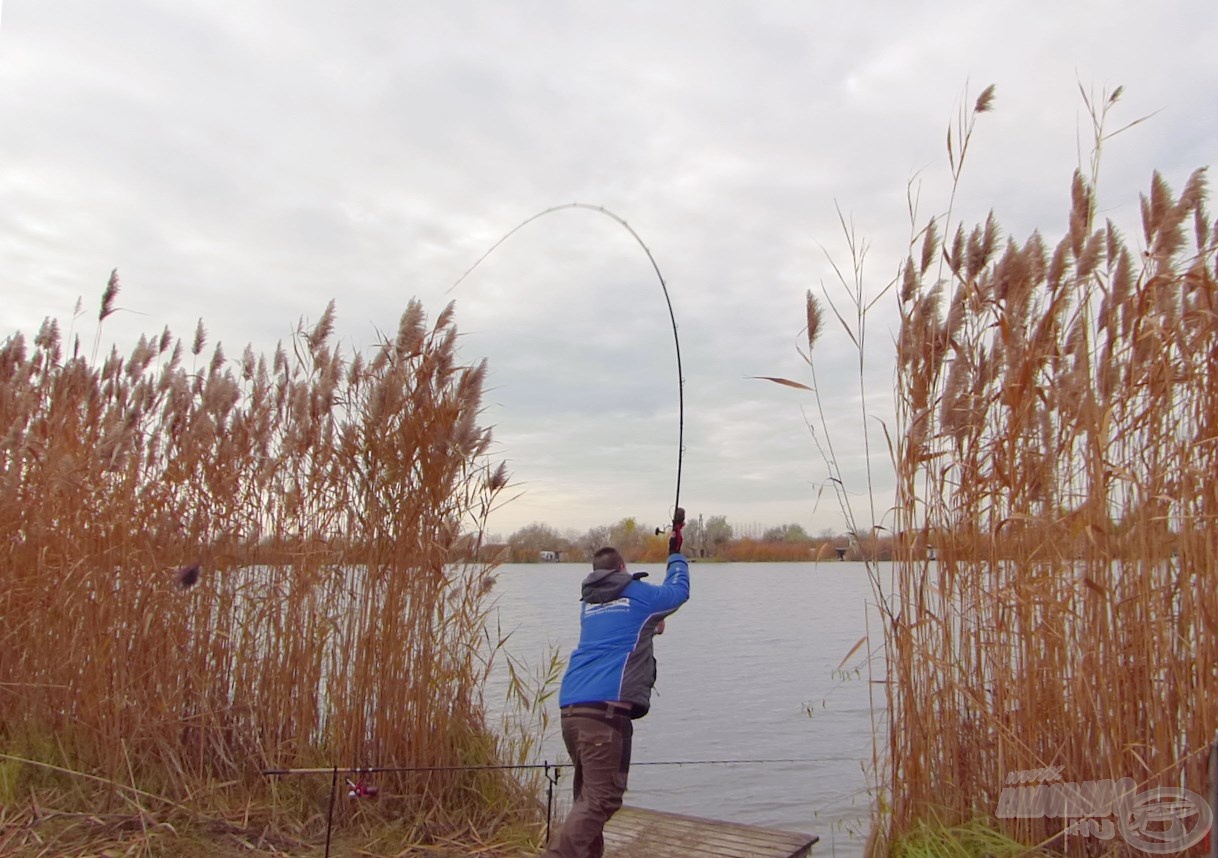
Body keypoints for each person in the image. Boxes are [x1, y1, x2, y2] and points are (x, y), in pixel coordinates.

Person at [541, 527, 690, 858]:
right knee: (602, 798)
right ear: (622, 568)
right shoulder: (637, 594)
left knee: (588, 799)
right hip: (604, 716)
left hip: (572, 711)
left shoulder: (590, 604)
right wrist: (676, 554)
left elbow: (632, 626)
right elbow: (678, 591)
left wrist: (651, 623)